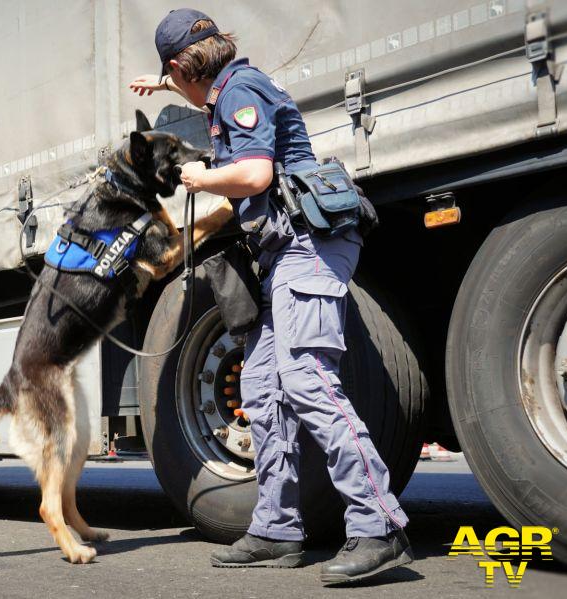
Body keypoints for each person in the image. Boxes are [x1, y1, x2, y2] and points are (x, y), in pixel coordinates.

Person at [129, 9, 414, 584]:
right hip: (280, 253)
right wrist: (161, 83)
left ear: (187, 67)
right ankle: (277, 530)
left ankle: (379, 524)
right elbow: (197, 83)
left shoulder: (241, 90)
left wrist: (200, 178)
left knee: (307, 378)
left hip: (307, 246)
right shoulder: (226, 85)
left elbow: (256, 175)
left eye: (173, 77)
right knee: (261, 387)